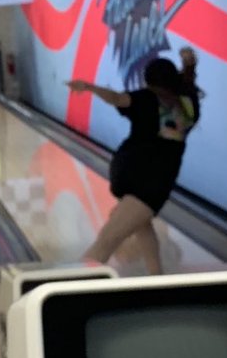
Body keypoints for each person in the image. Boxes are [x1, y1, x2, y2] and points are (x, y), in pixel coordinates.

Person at [66, 47, 200, 275]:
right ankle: (156, 278)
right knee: (143, 226)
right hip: (159, 181)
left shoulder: (147, 98)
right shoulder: (188, 105)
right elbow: (187, 82)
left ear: (150, 81)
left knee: (106, 241)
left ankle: (65, 288)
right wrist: (188, 66)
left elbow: (117, 98)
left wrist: (89, 88)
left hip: (141, 182)